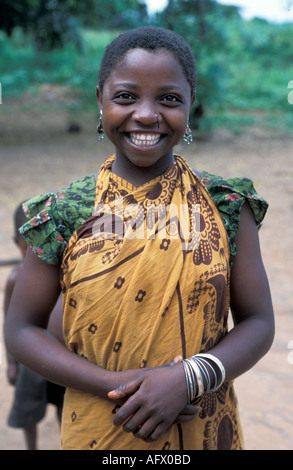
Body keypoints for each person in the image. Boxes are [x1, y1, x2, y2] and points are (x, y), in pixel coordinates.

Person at [5, 26, 274, 450]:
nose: (147, 114)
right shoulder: (65, 211)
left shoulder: (224, 205)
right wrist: (114, 384)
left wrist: (188, 379)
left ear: (190, 103)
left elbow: (259, 322)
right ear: (100, 100)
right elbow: (21, 328)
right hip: (99, 428)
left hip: (201, 429)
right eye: (126, 96)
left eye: (168, 98)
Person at [4, 203, 65, 450]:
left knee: (65, 406)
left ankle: (66, 443)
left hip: (62, 357)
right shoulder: (15, 279)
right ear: (15, 240)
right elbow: (9, 323)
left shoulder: (64, 274)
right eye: (27, 242)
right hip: (29, 363)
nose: (35, 250)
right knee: (27, 412)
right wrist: (10, 363)